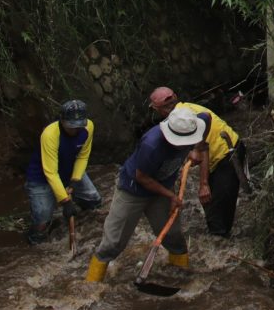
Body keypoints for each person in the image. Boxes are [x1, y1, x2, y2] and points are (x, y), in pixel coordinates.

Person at [85, 105, 207, 282]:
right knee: (113, 242)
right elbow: (142, 178)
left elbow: (207, 118)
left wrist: (198, 147)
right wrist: (171, 196)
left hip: (162, 189)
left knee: (173, 236)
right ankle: (91, 286)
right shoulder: (151, 145)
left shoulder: (195, 123)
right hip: (133, 190)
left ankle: (181, 279)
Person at [149, 87, 247, 238]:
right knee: (209, 203)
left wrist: (203, 184)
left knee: (219, 216)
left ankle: (220, 240)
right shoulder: (184, 111)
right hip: (223, 153)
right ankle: (216, 235)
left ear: (157, 109)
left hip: (227, 154)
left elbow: (203, 148)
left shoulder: (183, 118)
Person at [24, 99, 100, 245]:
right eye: (71, 126)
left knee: (93, 201)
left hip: (70, 169)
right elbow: (51, 172)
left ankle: (86, 228)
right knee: (42, 221)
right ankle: (35, 243)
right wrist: (65, 202)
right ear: (62, 120)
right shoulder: (50, 134)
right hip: (42, 177)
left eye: (78, 126)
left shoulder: (88, 127)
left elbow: (83, 156)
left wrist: (75, 180)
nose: (75, 130)